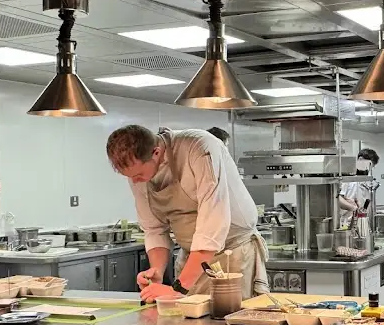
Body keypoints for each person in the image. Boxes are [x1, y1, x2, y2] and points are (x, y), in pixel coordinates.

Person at [106, 125, 270, 302]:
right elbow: (154, 229)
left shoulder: (199, 148)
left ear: (156, 152)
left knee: (229, 323)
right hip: (192, 259)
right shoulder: (138, 174)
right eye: (128, 176)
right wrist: (157, 271)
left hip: (233, 257)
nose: (134, 181)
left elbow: (212, 226)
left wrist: (179, 287)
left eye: (138, 174)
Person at [338, 148, 379, 221]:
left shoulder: (366, 179)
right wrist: (353, 208)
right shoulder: (348, 177)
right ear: (360, 159)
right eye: (368, 165)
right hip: (348, 221)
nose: (368, 169)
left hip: (363, 220)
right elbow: (338, 199)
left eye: (371, 167)